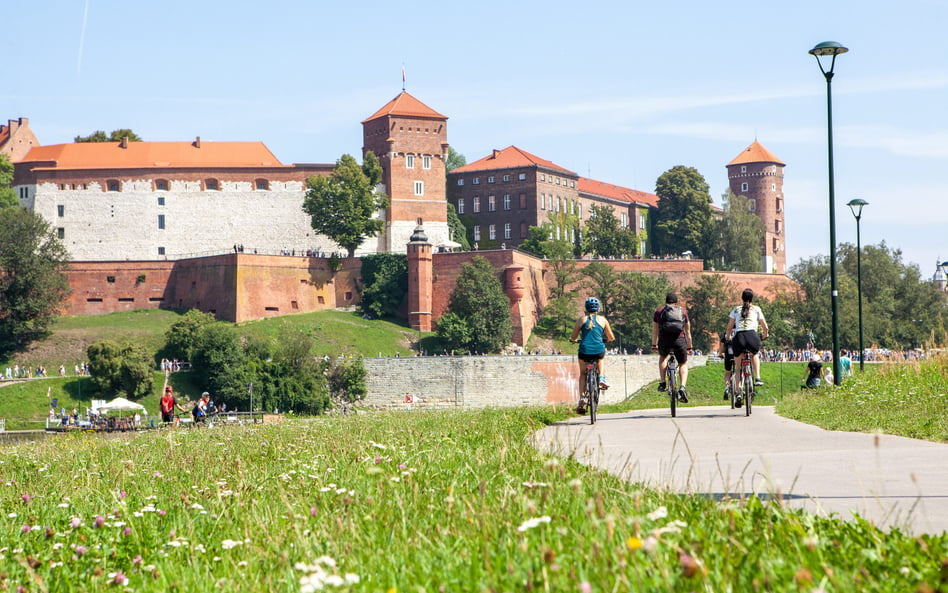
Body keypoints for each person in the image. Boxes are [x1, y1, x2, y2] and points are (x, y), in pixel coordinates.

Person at [569, 297, 615, 415]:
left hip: (584, 351)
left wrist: (573, 340)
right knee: (600, 358)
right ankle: (601, 378)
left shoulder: (581, 320)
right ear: (598, 309)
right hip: (598, 349)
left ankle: (582, 398)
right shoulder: (603, 320)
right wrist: (607, 340)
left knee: (583, 374)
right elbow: (611, 337)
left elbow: (573, 337)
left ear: (586, 309)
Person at [724, 288, 769, 405]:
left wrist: (728, 337)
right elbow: (765, 327)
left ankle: (738, 392)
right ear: (752, 298)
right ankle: (758, 377)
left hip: (739, 337)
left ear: (742, 298)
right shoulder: (756, 309)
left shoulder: (736, 309)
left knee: (738, 368)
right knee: (755, 354)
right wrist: (765, 335)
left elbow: (729, 327)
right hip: (752, 336)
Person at [652, 292, 692, 403]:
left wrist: (654, 344)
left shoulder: (659, 311)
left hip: (664, 340)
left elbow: (655, 330)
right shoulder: (683, 312)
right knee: (683, 363)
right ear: (676, 302)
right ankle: (682, 387)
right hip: (679, 341)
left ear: (666, 301)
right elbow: (688, 331)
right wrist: (689, 346)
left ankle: (662, 382)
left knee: (663, 357)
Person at [720, 332, 735, 401]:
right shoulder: (740, 330)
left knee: (727, 372)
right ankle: (739, 388)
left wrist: (720, 353)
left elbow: (722, 344)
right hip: (738, 353)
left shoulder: (726, 333)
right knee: (739, 370)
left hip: (729, 353)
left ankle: (727, 387)